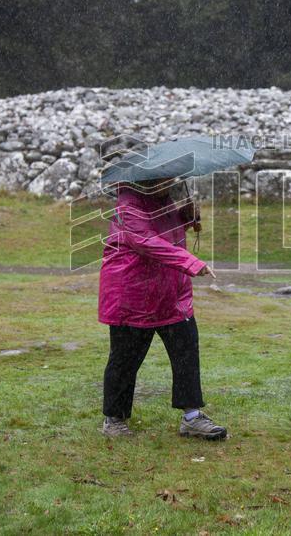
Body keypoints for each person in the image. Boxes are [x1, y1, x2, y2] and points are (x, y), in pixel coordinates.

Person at [97, 177, 226, 440]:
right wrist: (191, 263)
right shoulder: (127, 207)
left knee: (186, 353)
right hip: (132, 296)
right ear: (145, 180)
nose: (169, 184)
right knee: (125, 360)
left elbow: (166, 233)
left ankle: (192, 417)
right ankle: (114, 420)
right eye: (163, 180)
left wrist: (185, 217)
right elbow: (147, 242)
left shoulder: (163, 201)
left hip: (170, 294)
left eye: (171, 180)